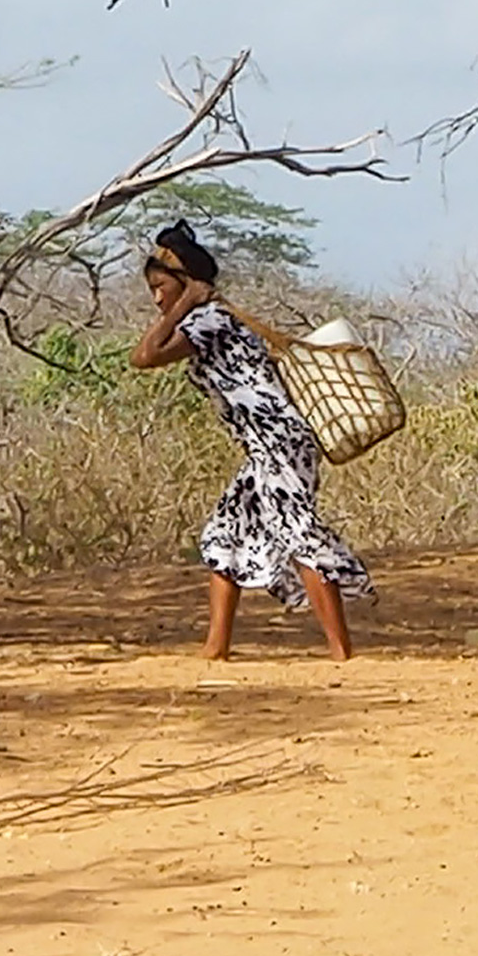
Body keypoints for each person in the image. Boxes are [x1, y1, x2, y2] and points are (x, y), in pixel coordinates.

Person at [130, 220, 373, 662]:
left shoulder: (210, 319)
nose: (156, 297)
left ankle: (341, 651)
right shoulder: (209, 318)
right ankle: (215, 647)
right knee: (226, 535)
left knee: (298, 533)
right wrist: (184, 300)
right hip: (268, 445)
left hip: (279, 441)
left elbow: (143, 357)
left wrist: (184, 301)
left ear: (184, 283)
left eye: (160, 286)